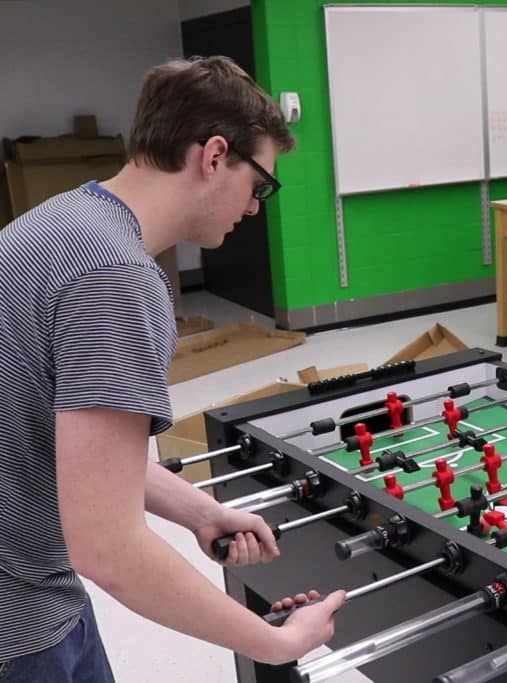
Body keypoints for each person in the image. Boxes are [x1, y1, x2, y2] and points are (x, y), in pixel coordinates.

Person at [0, 56, 345, 681]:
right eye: (260, 185)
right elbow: (108, 549)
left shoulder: (55, 223)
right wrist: (272, 644)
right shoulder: (116, 278)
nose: (254, 208)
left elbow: (52, 435)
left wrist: (198, 512)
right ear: (215, 156)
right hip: (21, 627)